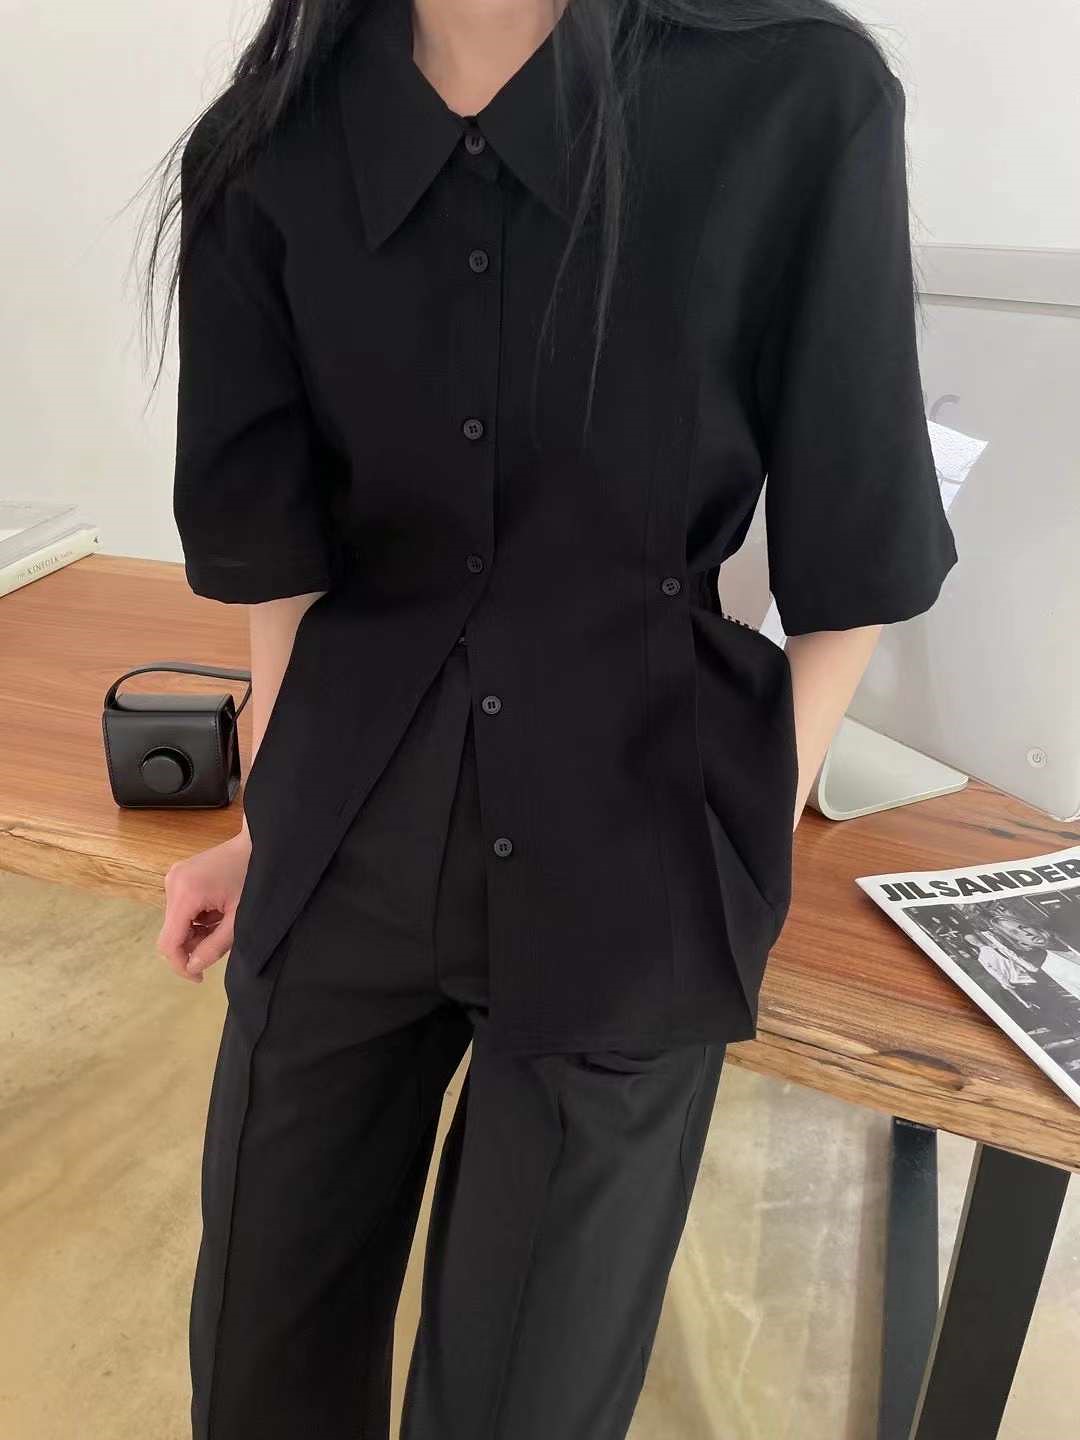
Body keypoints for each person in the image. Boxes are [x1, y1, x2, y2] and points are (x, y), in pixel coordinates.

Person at [140, 0, 958, 1435]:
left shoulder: (792, 98)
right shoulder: (265, 150)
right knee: (258, 1376)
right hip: (341, 856)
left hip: (631, 868)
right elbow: (282, 571)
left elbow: (858, 551)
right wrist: (273, 826)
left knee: (522, 1406)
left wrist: (741, 830)